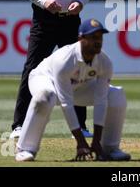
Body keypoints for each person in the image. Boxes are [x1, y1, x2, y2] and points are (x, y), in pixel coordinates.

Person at [10, 0, 93, 139]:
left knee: (77, 70)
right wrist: (45, 1)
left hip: (70, 20)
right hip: (45, 20)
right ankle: (18, 125)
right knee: (32, 68)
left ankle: (81, 125)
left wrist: (81, 2)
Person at [15, 19, 131, 162]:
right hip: (44, 79)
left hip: (78, 86)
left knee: (115, 95)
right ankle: (25, 148)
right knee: (45, 96)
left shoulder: (104, 62)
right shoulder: (65, 59)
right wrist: (81, 142)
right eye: (93, 37)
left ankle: (110, 148)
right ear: (81, 39)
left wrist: (96, 141)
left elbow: (101, 101)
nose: (98, 41)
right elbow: (66, 104)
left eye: (100, 37)